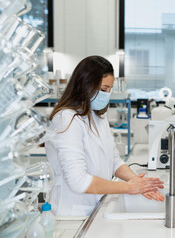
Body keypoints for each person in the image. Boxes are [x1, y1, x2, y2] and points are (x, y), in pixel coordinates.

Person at [45, 56, 164, 216]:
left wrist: (136, 180)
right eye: (103, 89)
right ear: (84, 84)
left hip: (96, 207)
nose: (107, 95)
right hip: (71, 212)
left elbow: (114, 159)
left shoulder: (97, 116)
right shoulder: (66, 118)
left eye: (109, 90)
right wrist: (129, 187)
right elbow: (78, 181)